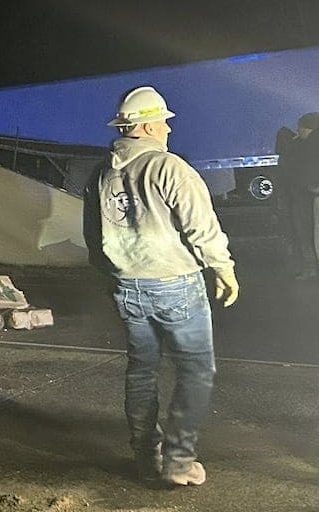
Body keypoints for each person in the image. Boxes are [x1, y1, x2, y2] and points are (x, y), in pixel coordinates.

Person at [83, 86, 239, 487]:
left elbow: (93, 236)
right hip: (175, 283)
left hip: (127, 286)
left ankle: (144, 456)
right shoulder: (170, 168)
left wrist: (111, 276)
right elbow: (201, 228)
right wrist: (223, 268)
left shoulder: (102, 173)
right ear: (148, 124)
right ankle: (178, 461)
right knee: (196, 370)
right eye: (165, 122)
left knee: (141, 372)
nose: (168, 129)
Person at [277, 112, 319, 279]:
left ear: (307, 128)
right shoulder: (306, 144)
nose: (298, 130)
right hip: (307, 196)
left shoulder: (307, 145)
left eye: (300, 127)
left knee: (305, 234)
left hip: (304, 197)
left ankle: (310, 269)